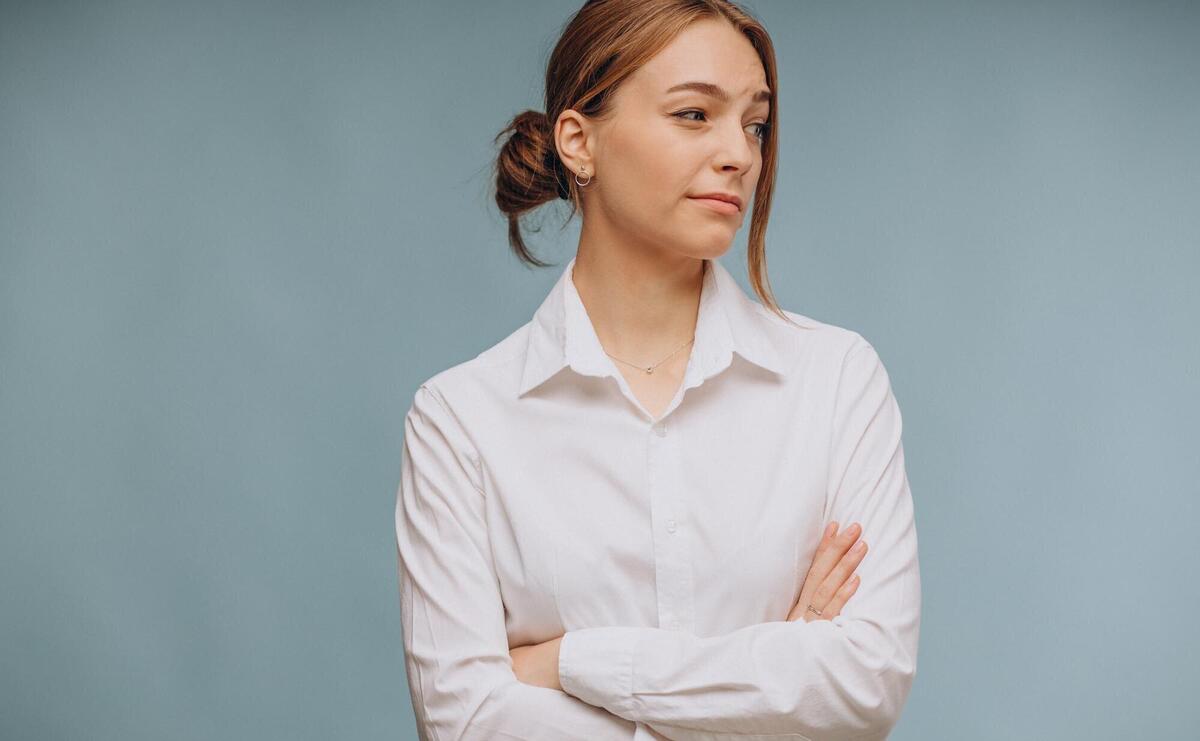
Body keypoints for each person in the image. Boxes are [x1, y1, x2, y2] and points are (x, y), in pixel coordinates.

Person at [394, 1, 921, 739]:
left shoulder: (836, 382)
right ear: (579, 141)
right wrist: (772, 676)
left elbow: (862, 686)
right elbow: (467, 722)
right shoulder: (461, 421)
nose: (740, 152)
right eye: (694, 115)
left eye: (755, 123)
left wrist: (571, 662)